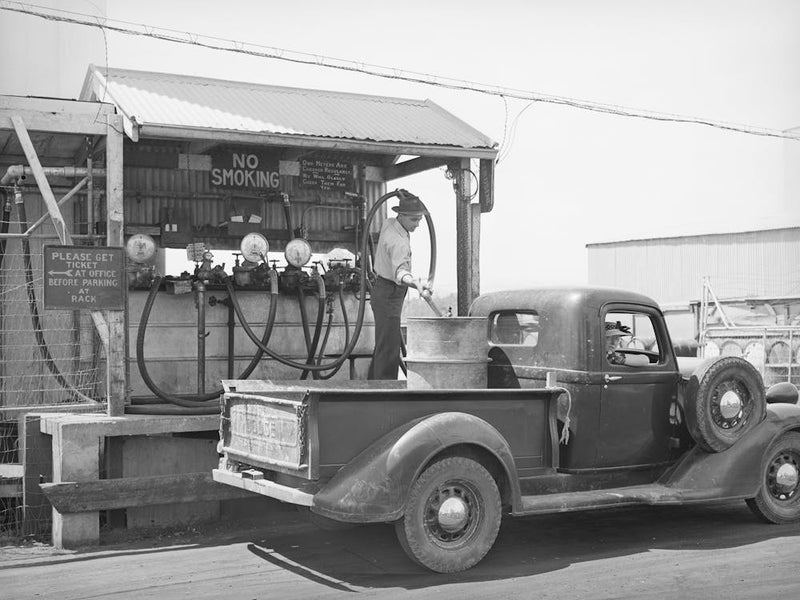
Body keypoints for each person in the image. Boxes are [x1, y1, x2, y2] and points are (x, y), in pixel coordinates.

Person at [368, 192, 431, 380]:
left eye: (420, 219)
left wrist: (403, 195)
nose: (418, 224)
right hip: (389, 292)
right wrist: (417, 284)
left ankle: (372, 386)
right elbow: (401, 273)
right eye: (414, 219)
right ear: (402, 216)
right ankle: (385, 391)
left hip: (382, 289)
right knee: (389, 347)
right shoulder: (398, 243)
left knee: (385, 342)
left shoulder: (390, 224)